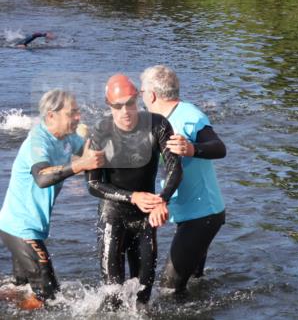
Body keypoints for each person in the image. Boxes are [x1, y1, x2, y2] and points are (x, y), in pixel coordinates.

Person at [0, 90, 104, 309]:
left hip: (30, 226)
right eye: (72, 113)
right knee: (50, 296)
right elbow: (42, 177)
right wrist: (80, 164)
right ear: (51, 116)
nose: (78, 117)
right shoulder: (38, 142)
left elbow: (87, 145)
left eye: (78, 112)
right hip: (20, 228)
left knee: (19, 289)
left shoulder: (66, 137)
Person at [86, 74, 182, 307]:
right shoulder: (101, 131)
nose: (125, 111)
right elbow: (93, 184)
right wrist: (132, 197)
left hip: (145, 215)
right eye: (118, 106)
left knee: (143, 293)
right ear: (109, 105)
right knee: (113, 295)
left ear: (138, 99)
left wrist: (162, 201)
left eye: (130, 103)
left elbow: (175, 169)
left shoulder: (158, 124)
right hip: (112, 215)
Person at [140, 65, 226, 294]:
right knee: (194, 283)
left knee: (169, 288)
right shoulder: (158, 121)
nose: (141, 97)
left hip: (203, 214)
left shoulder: (189, 114)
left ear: (152, 95)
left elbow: (219, 147)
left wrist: (192, 149)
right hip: (189, 213)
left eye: (141, 92)